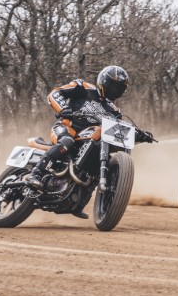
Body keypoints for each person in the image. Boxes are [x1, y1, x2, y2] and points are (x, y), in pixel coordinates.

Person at [24, 65, 154, 217]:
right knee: (67, 142)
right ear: (103, 81)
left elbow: (118, 129)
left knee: (98, 166)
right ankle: (36, 174)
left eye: (118, 89)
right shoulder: (83, 87)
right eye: (112, 85)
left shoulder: (114, 111)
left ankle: (79, 202)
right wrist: (62, 109)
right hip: (67, 129)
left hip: (90, 139)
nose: (114, 91)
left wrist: (140, 135)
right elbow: (56, 92)